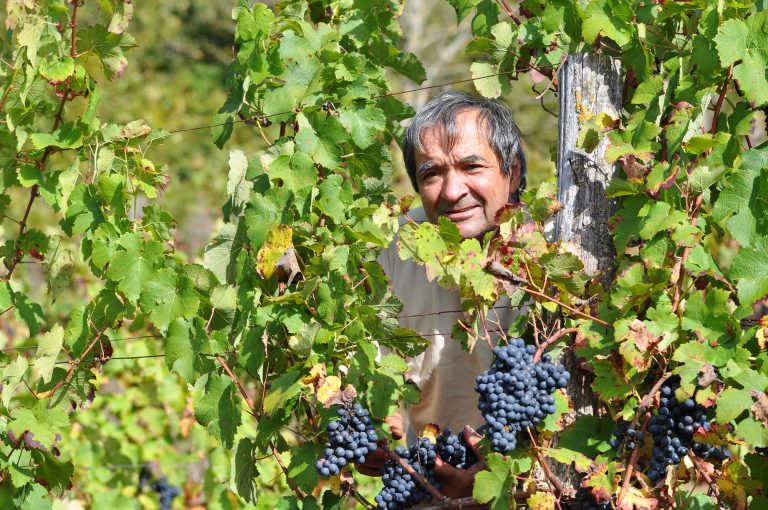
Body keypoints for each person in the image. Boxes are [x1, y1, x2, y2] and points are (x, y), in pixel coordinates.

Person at [359, 91, 528, 500]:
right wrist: (368, 429)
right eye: (432, 174)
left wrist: (501, 481)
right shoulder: (392, 248)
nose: (452, 191)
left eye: (472, 166)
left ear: (513, 171)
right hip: (431, 485)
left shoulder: (557, 257)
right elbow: (361, 374)